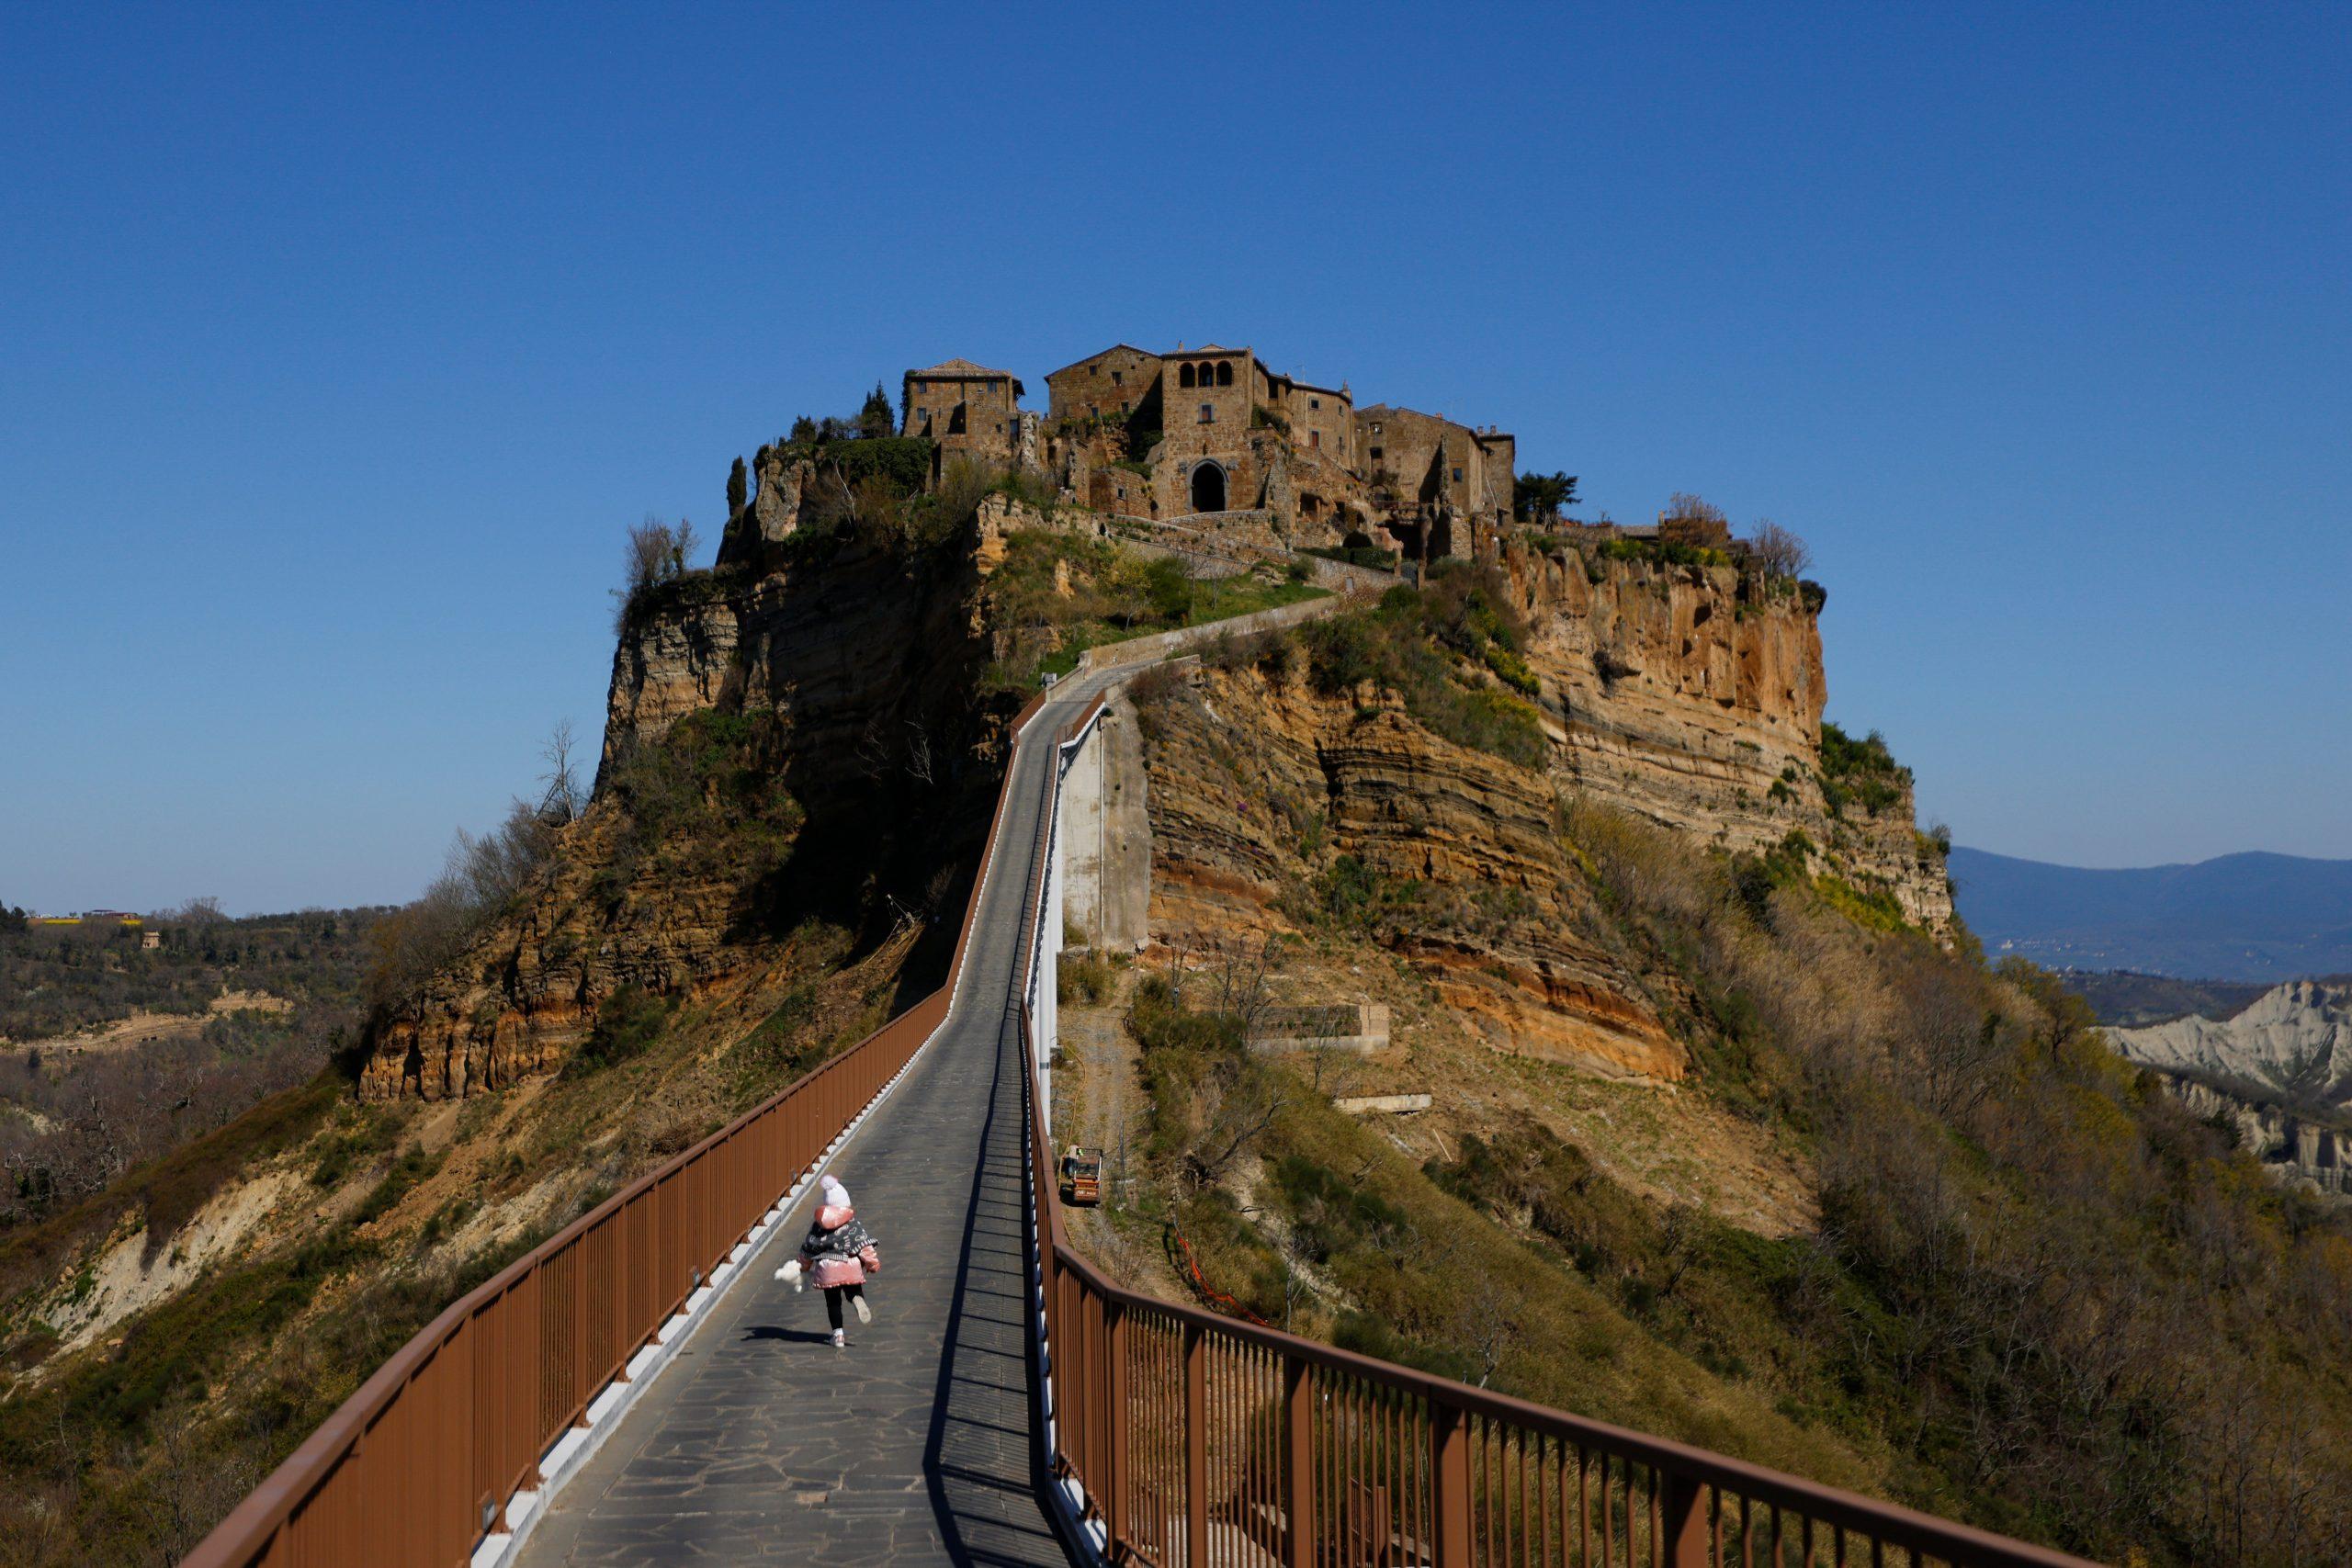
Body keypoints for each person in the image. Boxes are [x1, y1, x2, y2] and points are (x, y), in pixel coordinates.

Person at [776, 1174, 880, 1348]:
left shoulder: (818, 1226)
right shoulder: (851, 1224)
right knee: (852, 1288)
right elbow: (864, 1246)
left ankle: (838, 1336)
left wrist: (803, 1266)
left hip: (828, 1269)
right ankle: (856, 1297)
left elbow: (809, 1247)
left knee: (833, 1302)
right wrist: (872, 1264)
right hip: (850, 1265)